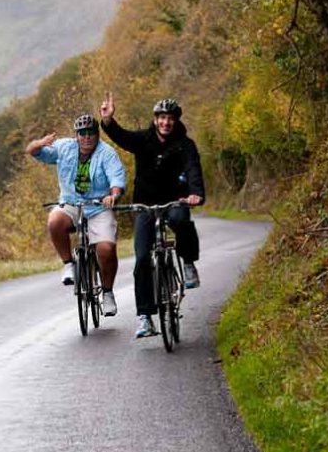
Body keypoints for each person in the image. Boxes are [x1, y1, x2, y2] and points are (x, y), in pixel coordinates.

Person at [99, 93, 205, 339]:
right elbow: (122, 137)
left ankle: (188, 263)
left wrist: (195, 194)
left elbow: (193, 170)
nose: (166, 123)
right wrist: (108, 121)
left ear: (176, 121)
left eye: (170, 119)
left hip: (174, 200)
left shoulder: (185, 144)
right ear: (155, 120)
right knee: (142, 258)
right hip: (144, 204)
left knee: (182, 220)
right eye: (162, 118)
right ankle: (145, 317)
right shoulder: (143, 140)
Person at [25, 113, 127, 317]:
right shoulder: (64, 147)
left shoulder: (107, 153)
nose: (86, 137)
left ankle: (107, 293)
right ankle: (68, 265)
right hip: (71, 203)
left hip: (98, 206)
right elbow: (32, 152)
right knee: (54, 220)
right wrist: (40, 143)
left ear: (97, 134)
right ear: (76, 135)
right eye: (82, 133)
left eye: (90, 133)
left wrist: (113, 195)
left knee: (106, 249)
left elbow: (117, 179)